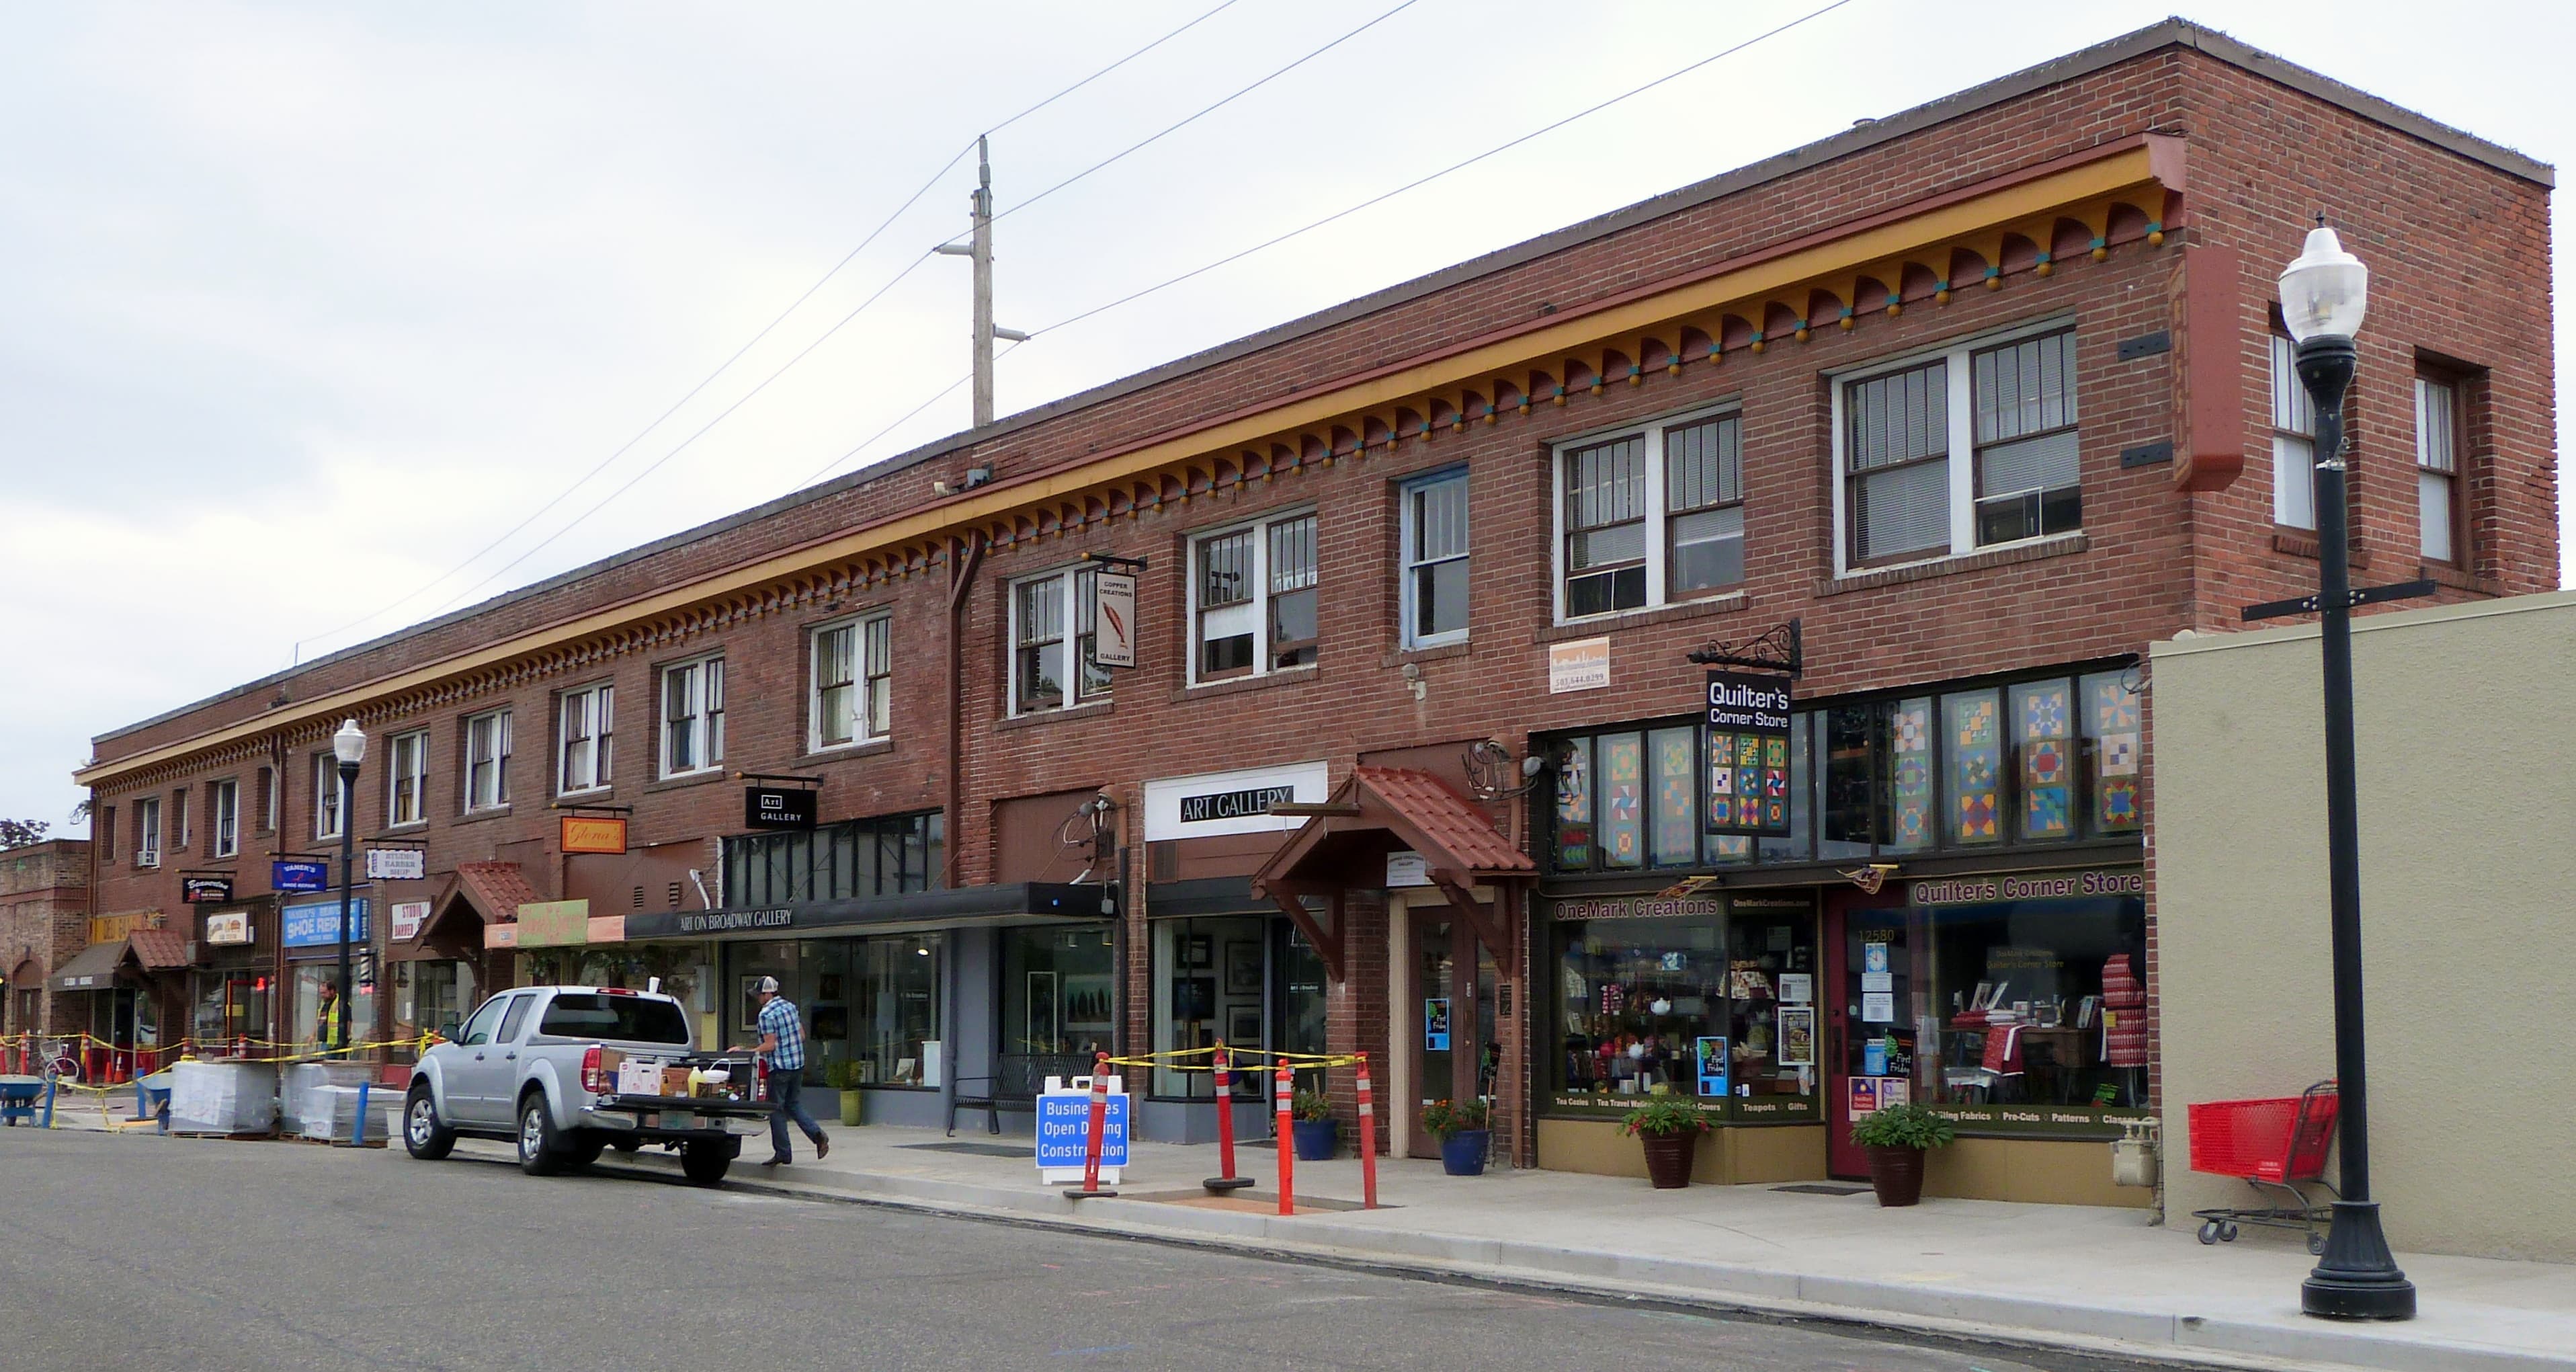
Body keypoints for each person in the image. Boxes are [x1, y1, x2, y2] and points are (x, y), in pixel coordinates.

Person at [735, 976, 827, 1165]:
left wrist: (745, 1051)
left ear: (767, 994)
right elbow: (801, 1035)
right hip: (797, 1064)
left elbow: (770, 1045)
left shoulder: (766, 1015)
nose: (758, 998)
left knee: (775, 1109)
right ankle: (817, 1134)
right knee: (793, 1104)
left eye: (760, 994)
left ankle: (783, 1153)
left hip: (779, 1067)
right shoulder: (790, 1007)